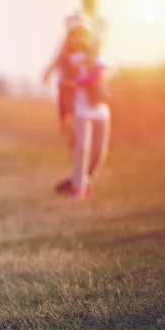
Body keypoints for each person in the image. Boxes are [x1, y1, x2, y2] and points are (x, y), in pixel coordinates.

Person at [56, 16, 112, 199]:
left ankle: (82, 179)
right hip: (80, 109)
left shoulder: (97, 55)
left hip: (99, 108)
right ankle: (79, 189)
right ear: (69, 37)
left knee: (99, 151)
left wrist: (78, 82)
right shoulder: (65, 60)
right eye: (75, 34)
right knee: (82, 148)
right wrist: (64, 115)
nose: (79, 38)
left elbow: (98, 74)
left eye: (83, 34)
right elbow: (62, 90)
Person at [43, 0, 108, 147]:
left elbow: (101, 45)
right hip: (72, 68)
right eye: (87, 0)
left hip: (90, 72)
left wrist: (90, 60)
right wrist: (50, 69)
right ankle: (74, 145)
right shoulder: (76, 20)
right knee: (69, 108)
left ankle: (85, 156)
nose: (89, 3)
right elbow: (63, 47)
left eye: (92, 0)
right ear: (83, 1)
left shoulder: (100, 23)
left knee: (92, 110)